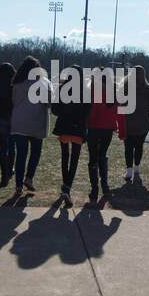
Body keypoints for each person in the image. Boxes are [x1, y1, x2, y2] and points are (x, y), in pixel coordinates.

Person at [10, 56, 51, 194]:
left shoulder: (17, 82)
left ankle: (18, 186)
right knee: (35, 153)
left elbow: (14, 100)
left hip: (19, 121)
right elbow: (49, 102)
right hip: (36, 121)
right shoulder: (43, 83)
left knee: (21, 155)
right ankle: (29, 178)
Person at [50, 65, 88, 206]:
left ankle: (65, 187)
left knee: (65, 157)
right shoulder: (86, 91)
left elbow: (55, 109)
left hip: (64, 127)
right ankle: (67, 187)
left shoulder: (62, 89)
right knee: (74, 160)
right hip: (78, 129)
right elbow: (87, 112)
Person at [118, 65, 149, 183]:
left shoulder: (124, 86)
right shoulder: (148, 89)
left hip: (127, 122)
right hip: (143, 122)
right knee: (139, 146)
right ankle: (137, 167)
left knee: (128, 146)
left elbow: (119, 103)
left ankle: (129, 170)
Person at [85, 70, 119, 203]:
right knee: (102, 155)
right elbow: (117, 111)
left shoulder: (93, 91)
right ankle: (104, 185)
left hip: (94, 127)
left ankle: (94, 188)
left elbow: (92, 112)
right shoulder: (112, 92)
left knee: (93, 157)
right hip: (108, 128)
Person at [0, 62, 16, 187]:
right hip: (13, 117)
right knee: (12, 146)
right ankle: (9, 170)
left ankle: (4, 176)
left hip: (1, 116)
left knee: (3, 147)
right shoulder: (14, 85)